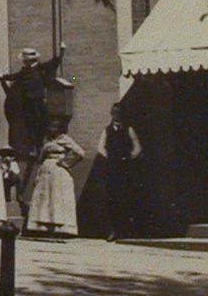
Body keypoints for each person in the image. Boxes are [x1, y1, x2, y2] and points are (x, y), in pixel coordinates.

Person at [0, 44, 66, 195]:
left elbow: (54, 62)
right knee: (28, 123)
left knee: (38, 123)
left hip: (37, 103)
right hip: (27, 103)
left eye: (26, 60)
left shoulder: (40, 68)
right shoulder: (24, 71)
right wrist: (2, 77)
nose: (24, 63)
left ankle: (38, 145)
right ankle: (34, 145)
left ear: (30, 60)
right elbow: (14, 76)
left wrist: (62, 52)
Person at [25, 118, 85, 239]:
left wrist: (66, 162)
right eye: (50, 127)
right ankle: (43, 226)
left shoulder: (65, 140)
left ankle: (59, 227)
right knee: (45, 198)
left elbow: (80, 153)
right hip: (46, 172)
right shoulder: (47, 141)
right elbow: (41, 157)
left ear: (59, 129)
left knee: (57, 197)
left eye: (54, 127)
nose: (51, 129)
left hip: (59, 172)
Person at [96, 100, 143, 240]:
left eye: (119, 113)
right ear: (111, 114)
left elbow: (137, 147)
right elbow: (100, 147)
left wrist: (129, 157)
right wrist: (110, 158)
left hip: (125, 169)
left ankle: (125, 230)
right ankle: (113, 230)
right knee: (112, 198)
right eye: (114, 112)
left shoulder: (129, 129)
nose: (116, 115)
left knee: (126, 197)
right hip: (112, 169)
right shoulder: (107, 130)